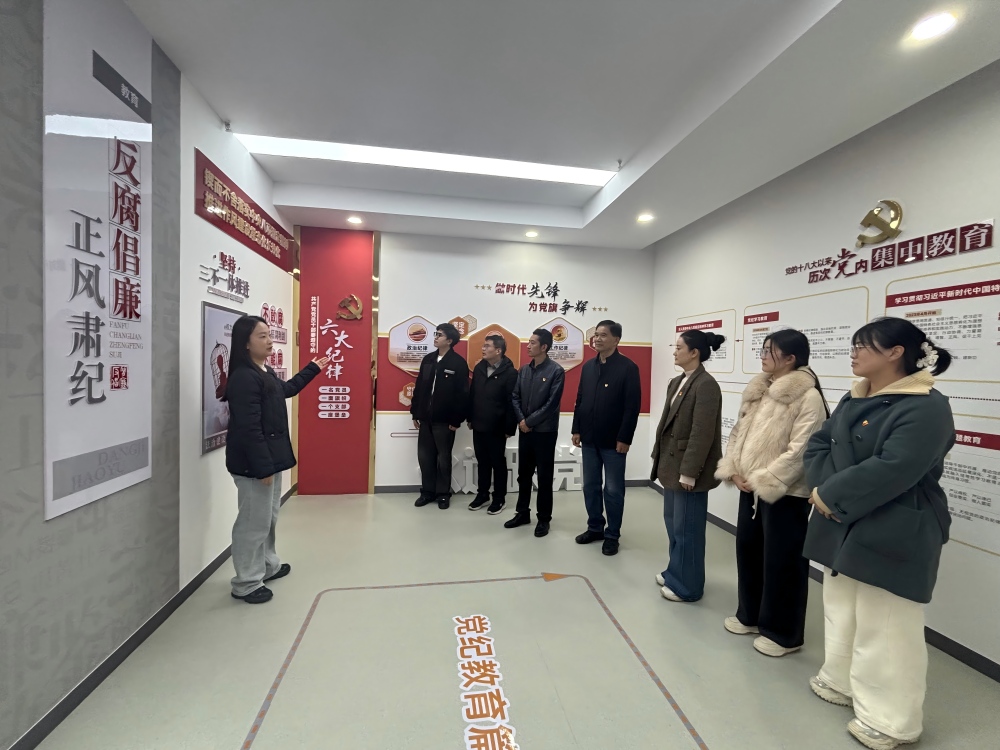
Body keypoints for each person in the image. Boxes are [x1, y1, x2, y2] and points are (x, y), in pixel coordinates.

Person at [803, 317, 954, 750]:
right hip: (841, 514)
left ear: (895, 353)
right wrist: (824, 491)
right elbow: (819, 445)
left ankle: (891, 719)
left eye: (862, 346)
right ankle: (841, 680)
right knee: (842, 607)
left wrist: (831, 494)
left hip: (896, 521)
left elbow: (896, 467)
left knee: (886, 623)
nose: (853, 354)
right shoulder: (855, 397)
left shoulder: (926, 406)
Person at [715, 329, 828, 657]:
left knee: (784, 562)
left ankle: (783, 634)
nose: (762, 356)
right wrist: (734, 468)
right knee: (749, 552)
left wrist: (766, 479)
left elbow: (802, 449)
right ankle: (750, 615)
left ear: (791, 358)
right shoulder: (759, 389)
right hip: (749, 487)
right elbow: (738, 433)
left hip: (785, 493)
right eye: (763, 350)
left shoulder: (808, 397)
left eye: (769, 351)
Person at [224, 315, 329, 605]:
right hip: (254, 465)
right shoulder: (243, 378)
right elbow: (249, 429)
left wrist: (312, 369)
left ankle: (267, 566)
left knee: (267, 519)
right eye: (262, 336)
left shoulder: (263, 370)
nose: (270, 341)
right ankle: (246, 583)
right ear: (245, 343)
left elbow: (286, 390)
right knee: (252, 523)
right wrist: (262, 468)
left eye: (269, 335)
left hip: (269, 460)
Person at [650, 329, 725, 603]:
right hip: (671, 466)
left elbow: (702, 433)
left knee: (688, 530)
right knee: (673, 524)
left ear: (694, 353)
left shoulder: (706, 385)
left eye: (679, 347)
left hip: (688, 471)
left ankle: (688, 586)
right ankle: (675, 571)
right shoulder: (678, 381)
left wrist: (690, 472)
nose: (675, 351)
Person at [572, 320, 642, 556]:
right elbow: (580, 400)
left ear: (616, 340)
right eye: (596, 335)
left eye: (603, 335)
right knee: (590, 486)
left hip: (614, 442)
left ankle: (612, 534)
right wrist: (576, 429)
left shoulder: (628, 368)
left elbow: (632, 407)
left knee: (613, 490)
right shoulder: (588, 367)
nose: (597, 339)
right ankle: (595, 528)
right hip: (589, 439)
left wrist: (625, 438)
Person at [506, 328, 565, 537]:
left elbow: (551, 404)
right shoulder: (524, 370)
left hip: (545, 431)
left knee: (544, 477)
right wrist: (522, 421)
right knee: (524, 475)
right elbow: (515, 397)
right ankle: (522, 513)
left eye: (532, 343)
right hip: (526, 431)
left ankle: (544, 519)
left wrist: (528, 421)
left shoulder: (556, 371)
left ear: (544, 347)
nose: (528, 346)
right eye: (528, 342)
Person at [411, 323, 469, 510]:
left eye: (439, 335)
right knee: (425, 457)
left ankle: (443, 494)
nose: (435, 337)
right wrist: (415, 412)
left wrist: (456, 419)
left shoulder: (458, 363)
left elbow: (462, 394)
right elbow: (419, 387)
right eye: (435, 334)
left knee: (443, 458)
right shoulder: (428, 359)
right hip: (425, 418)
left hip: (445, 421)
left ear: (450, 340)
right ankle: (427, 492)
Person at [467, 334, 517, 514]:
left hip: (498, 427)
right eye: (483, 345)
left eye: (487, 346)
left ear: (498, 350)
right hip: (479, 423)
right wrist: (470, 418)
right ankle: (483, 495)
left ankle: (499, 498)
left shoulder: (510, 373)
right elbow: (473, 394)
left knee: (497, 463)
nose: (483, 349)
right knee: (482, 462)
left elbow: (512, 402)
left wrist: (509, 428)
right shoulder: (479, 367)